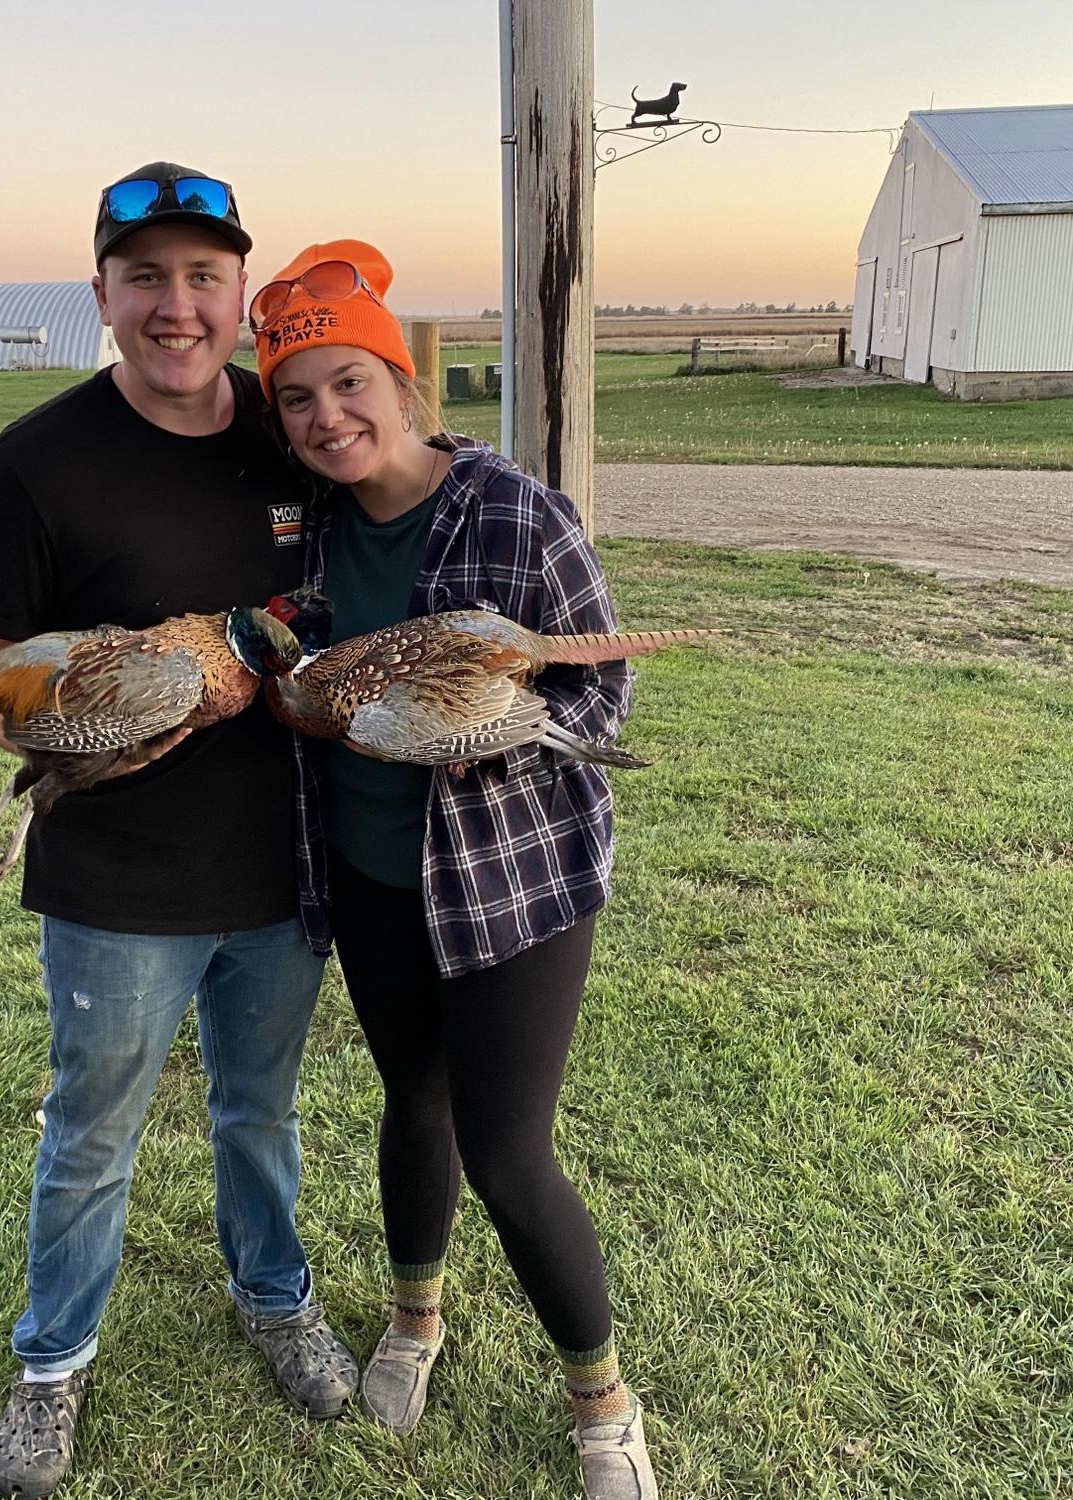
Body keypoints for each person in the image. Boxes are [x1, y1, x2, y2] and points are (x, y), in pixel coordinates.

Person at [0, 168, 357, 1499]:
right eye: (146, 278)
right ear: (103, 294)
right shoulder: (33, 466)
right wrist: (94, 741)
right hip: (117, 883)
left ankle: (276, 1297)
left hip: (282, 870)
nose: (177, 307)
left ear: (241, 295)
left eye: (203, 277)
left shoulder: (295, 434)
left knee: (260, 1111)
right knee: (92, 1132)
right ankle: (53, 1363)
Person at [251, 240, 659, 1497]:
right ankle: (414, 1319)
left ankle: (603, 1405)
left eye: (349, 383)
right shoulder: (305, 529)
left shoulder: (515, 512)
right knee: (411, 1103)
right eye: (297, 398)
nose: (328, 417)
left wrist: (488, 732)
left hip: (510, 881)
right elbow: (288, 670)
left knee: (509, 1155)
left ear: (403, 381)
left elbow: (603, 692)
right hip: (370, 876)